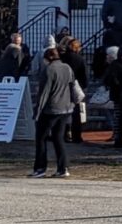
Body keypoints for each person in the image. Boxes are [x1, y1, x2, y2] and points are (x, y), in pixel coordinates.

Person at [31, 47, 75, 178]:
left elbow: (44, 92)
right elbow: (72, 85)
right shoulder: (67, 67)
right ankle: (63, 168)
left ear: (48, 58)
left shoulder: (49, 70)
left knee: (41, 138)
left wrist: (38, 110)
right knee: (58, 138)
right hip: (65, 107)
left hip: (51, 108)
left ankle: (40, 168)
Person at [103, 45, 122, 148]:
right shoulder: (116, 65)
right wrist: (121, 85)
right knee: (118, 116)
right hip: (118, 95)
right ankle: (118, 137)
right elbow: (112, 79)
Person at [62, 38, 88, 143]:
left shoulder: (62, 57)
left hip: (63, 86)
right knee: (76, 113)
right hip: (76, 86)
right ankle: (77, 135)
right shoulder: (80, 59)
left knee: (63, 112)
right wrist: (83, 86)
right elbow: (84, 75)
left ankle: (64, 134)